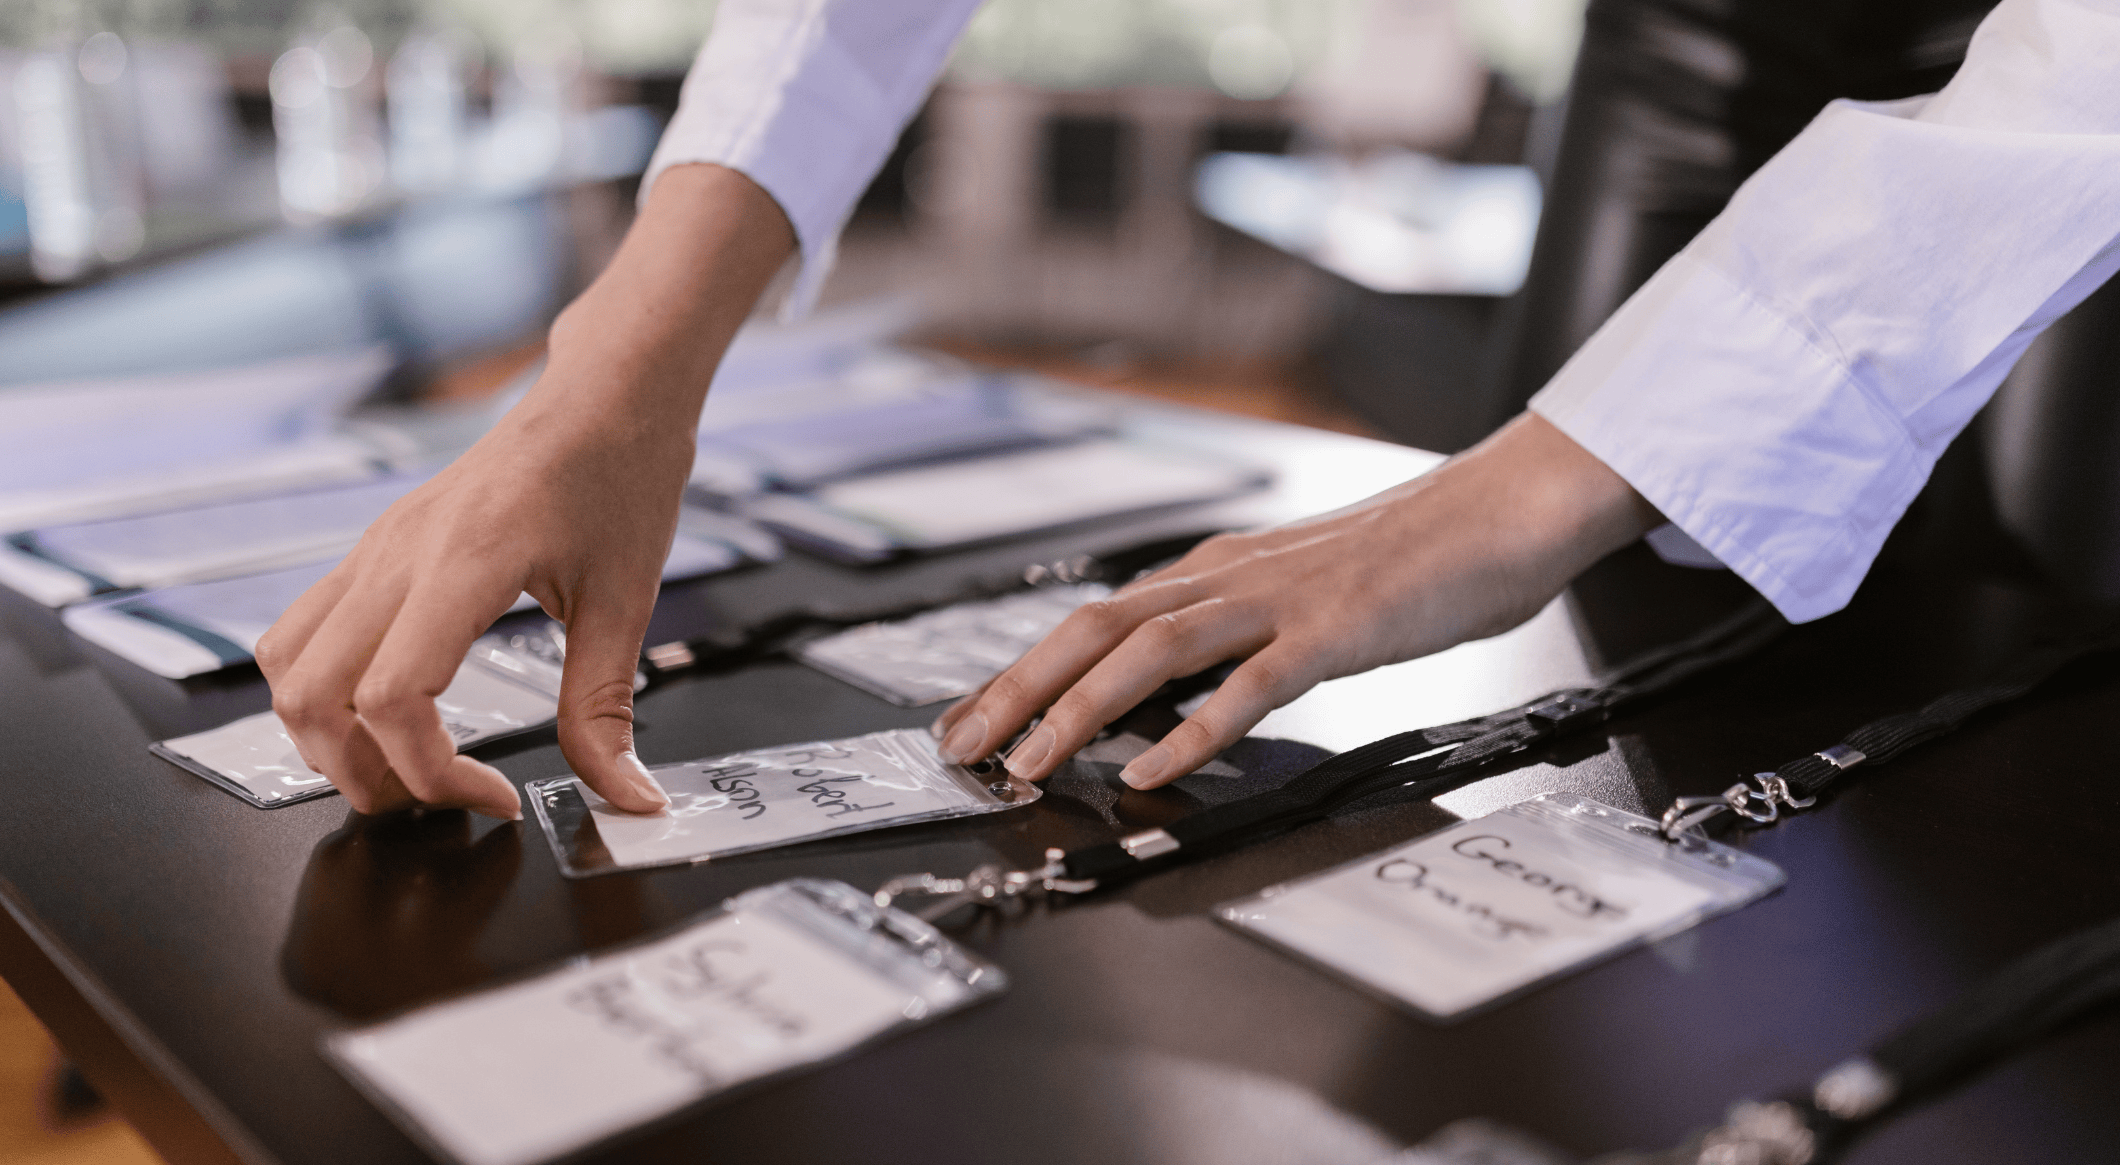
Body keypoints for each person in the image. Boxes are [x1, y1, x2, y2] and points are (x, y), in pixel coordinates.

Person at [255, 0, 2120, 820]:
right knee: (1625, 685)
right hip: (1712, 28)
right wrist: (620, 365)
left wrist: (1476, 504)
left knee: (2043, 701)